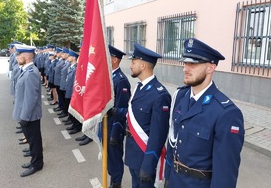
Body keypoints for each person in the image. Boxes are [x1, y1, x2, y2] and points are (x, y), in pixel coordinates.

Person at [164, 38, 245, 188]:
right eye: (185, 63)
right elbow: (173, 143)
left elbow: (225, 175)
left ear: (210, 68)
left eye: (193, 64)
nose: (185, 69)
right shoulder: (181, 97)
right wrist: (167, 176)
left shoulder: (226, 113)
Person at [124, 43, 171, 188]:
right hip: (133, 154)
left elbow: (158, 135)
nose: (131, 66)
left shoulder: (160, 95)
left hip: (145, 158)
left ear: (143, 66)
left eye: (133, 62)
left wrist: (148, 165)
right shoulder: (139, 87)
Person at [12, 44, 44, 177]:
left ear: (26, 56)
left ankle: (37, 164)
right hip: (26, 113)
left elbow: (31, 98)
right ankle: (34, 160)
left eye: (19, 55)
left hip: (29, 115)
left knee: (34, 140)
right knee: (32, 140)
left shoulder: (31, 73)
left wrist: (24, 117)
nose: (17, 57)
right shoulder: (27, 70)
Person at [103, 45, 131, 187]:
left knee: (114, 160)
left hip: (114, 128)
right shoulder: (109, 77)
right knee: (108, 159)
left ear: (114, 59)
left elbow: (122, 109)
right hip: (105, 125)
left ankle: (116, 183)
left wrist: (115, 133)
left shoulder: (121, 80)